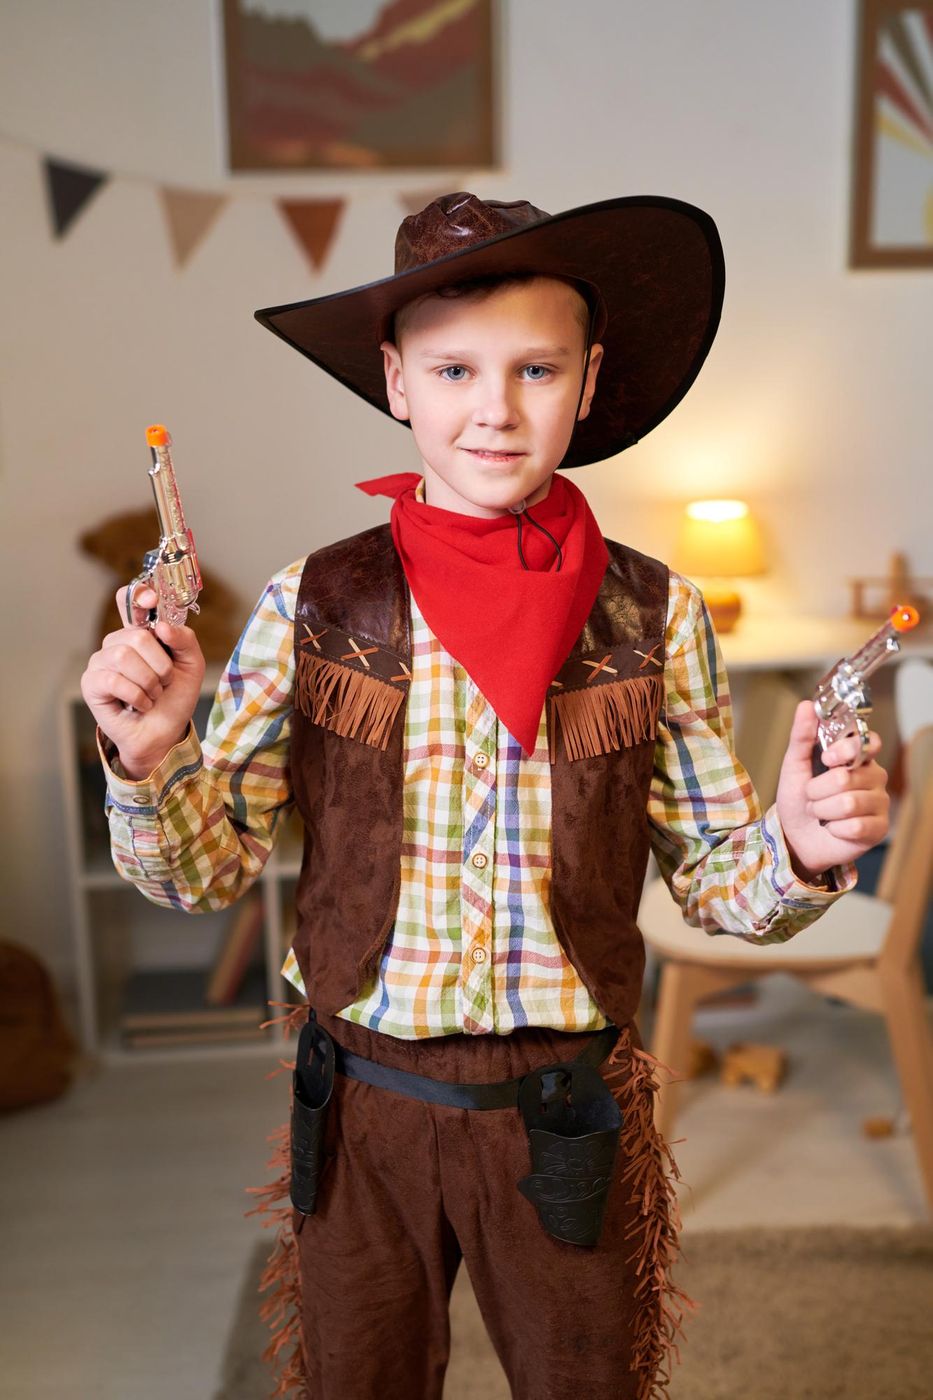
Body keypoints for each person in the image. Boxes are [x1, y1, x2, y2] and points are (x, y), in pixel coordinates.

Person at [80, 192, 890, 1400]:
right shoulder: (315, 604)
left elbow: (720, 883)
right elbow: (204, 875)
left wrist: (798, 843)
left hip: (564, 1109)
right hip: (362, 1107)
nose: (496, 407)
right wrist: (151, 759)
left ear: (589, 379)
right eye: (455, 368)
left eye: (536, 368)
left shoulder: (656, 614)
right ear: (397, 381)